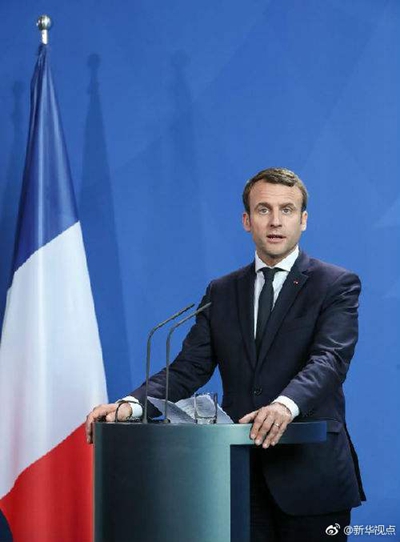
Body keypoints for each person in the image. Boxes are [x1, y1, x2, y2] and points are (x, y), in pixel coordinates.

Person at [86, 168, 365, 542]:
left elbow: (329, 360)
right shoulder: (222, 291)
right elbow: (188, 368)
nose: (275, 221)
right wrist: (132, 406)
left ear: (303, 220)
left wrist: (284, 406)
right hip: (236, 478)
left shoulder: (335, 284)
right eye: (263, 209)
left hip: (311, 475)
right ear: (247, 221)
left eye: (286, 210)